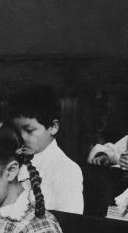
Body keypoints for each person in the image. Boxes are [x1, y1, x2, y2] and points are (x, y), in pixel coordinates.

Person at [8, 85, 84, 214]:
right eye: (16, 131)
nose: (22, 137)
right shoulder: (13, 159)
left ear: (53, 127)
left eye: (29, 130)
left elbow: (70, 223)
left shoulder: (66, 170)